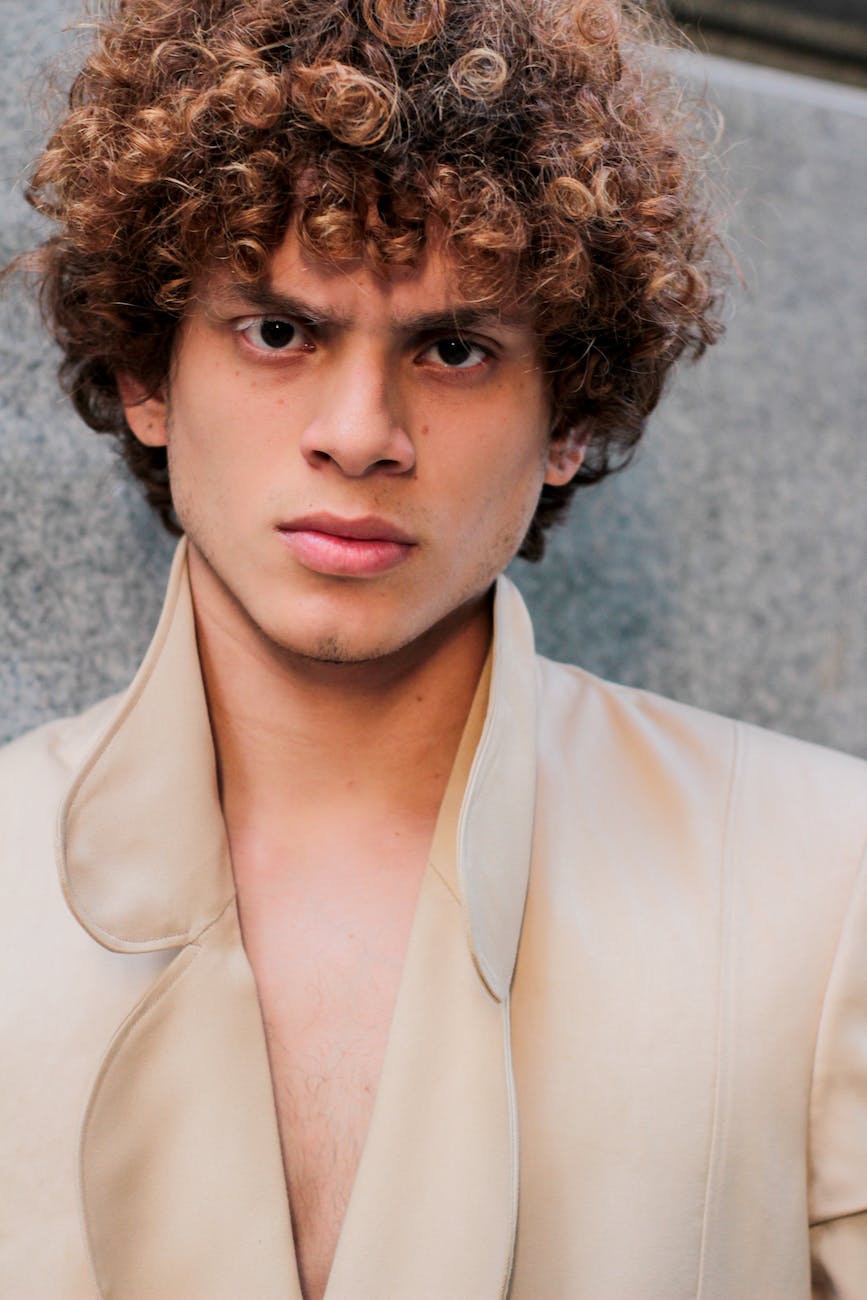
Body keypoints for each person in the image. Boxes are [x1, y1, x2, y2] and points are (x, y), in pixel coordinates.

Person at [1, 0, 865, 1296]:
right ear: (147, 374)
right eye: (279, 330)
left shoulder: (825, 882)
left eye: (453, 348)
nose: (361, 433)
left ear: (565, 417)